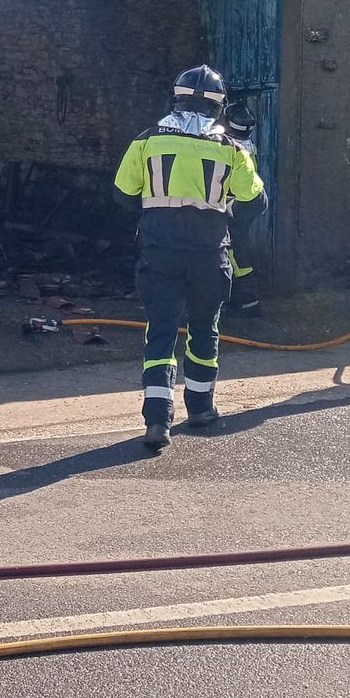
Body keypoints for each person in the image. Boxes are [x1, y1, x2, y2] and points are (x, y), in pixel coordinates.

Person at [115, 66, 268, 450]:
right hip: (208, 255)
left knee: (161, 331)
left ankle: (156, 422)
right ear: (219, 107)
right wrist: (222, 207)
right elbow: (255, 204)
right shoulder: (230, 148)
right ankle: (199, 409)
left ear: (176, 96)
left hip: (159, 252)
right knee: (204, 329)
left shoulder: (147, 141)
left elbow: (121, 194)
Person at [220, 99, 264, 317]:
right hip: (246, 204)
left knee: (233, 253)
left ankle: (247, 300)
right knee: (239, 250)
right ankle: (245, 300)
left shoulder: (229, 146)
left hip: (230, 205)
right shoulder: (247, 144)